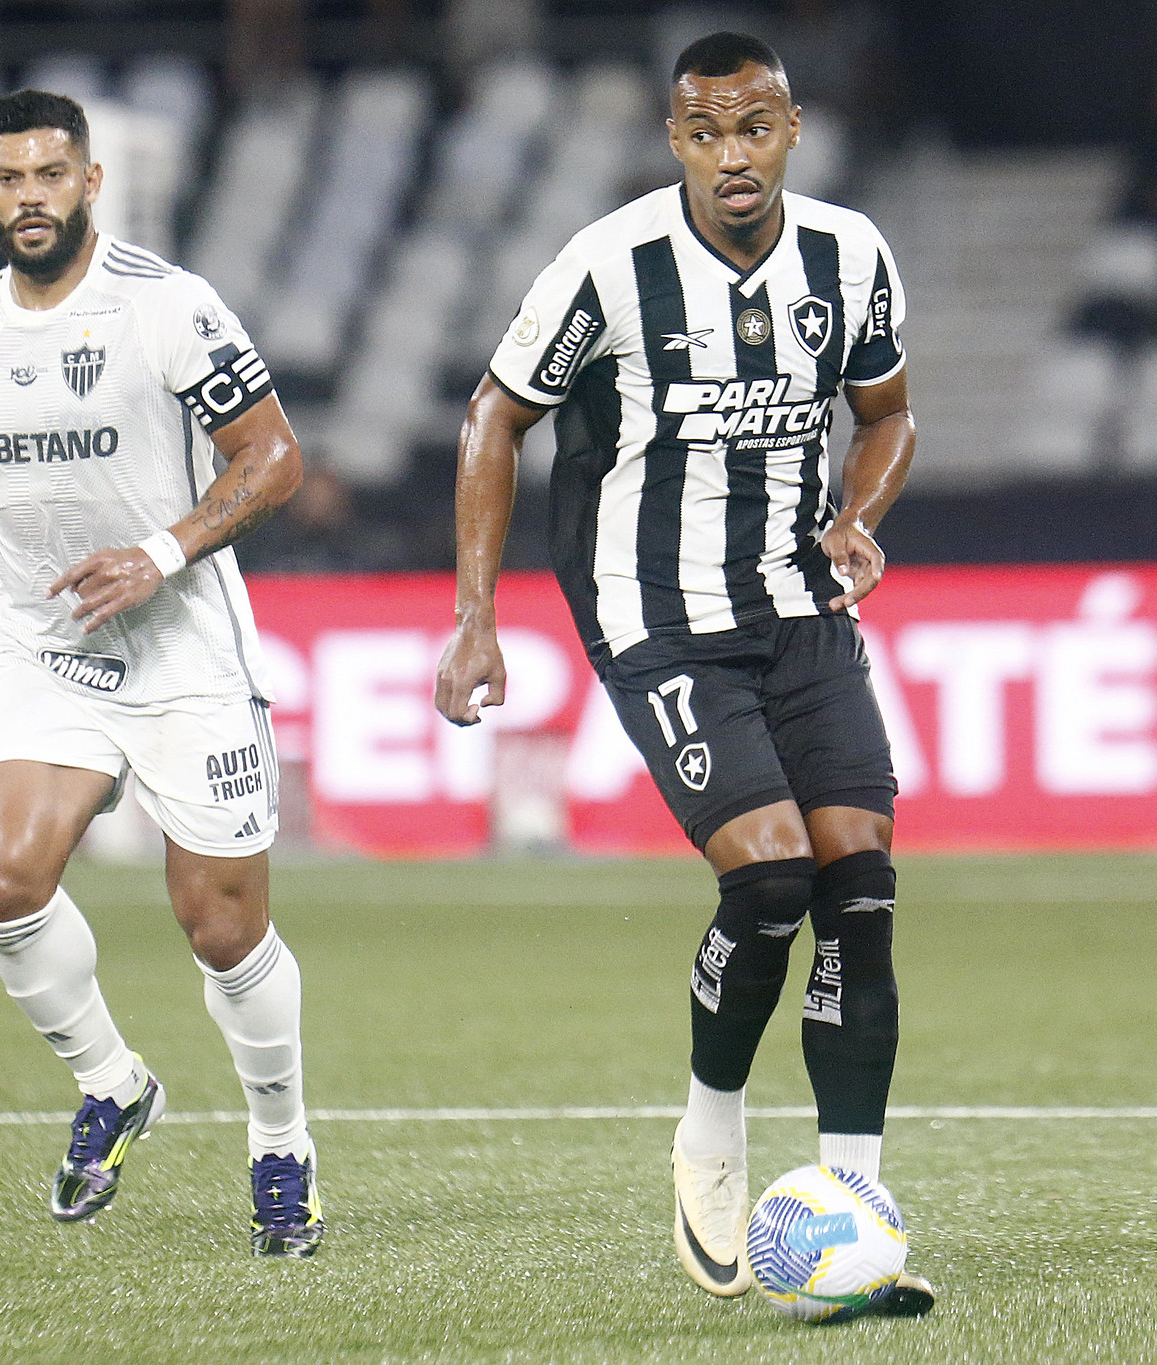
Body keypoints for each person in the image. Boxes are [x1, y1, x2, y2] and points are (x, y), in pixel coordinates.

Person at [434, 33, 932, 1313]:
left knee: (859, 887)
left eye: (753, 128)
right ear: (674, 140)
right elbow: (495, 413)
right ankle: (710, 1133)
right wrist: (474, 615)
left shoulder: (848, 255)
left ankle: (856, 1220)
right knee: (768, 876)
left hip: (798, 601)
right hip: (651, 610)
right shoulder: (608, 265)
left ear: (791, 129)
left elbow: (886, 412)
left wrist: (858, 515)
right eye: (705, 132)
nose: (732, 157)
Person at [0, 90, 322, 1258]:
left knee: (221, 930)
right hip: (48, 646)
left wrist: (159, 550)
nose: (30, 195)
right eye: (9, 178)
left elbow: (274, 457)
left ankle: (279, 1143)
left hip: (182, 644)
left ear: (88, 182)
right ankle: (112, 1082)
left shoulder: (167, 306)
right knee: (4, 874)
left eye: (49, 174)